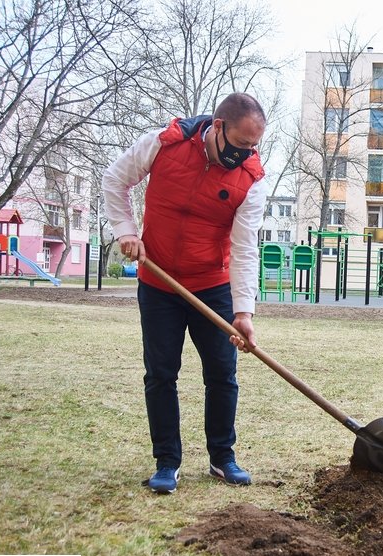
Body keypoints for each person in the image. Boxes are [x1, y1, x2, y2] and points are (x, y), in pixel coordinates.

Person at [103, 93, 267, 494]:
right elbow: (114, 179)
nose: (246, 153)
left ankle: (222, 458)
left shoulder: (250, 180)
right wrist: (125, 230)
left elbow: (245, 248)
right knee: (161, 374)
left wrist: (243, 311)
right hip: (159, 284)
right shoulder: (164, 143)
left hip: (212, 286)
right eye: (241, 143)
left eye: (253, 146)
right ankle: (167, 462)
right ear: (217, 126)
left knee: (222, 374)